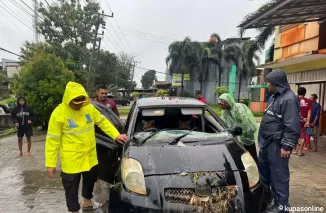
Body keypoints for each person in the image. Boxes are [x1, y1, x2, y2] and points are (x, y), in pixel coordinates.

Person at [45, 82, 128, 213]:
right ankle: (74, 210)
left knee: (90, 180)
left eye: (81, 102)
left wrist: (116, 135)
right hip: (71, 159)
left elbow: (102, 121)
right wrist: (51, 163)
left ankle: (87, 202)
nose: (78, 106)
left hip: (89, 156)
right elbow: (52, 141)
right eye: (75, 103)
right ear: (68, 99)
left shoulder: (88, 108)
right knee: (71, 186)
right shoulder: (58, 114)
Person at [258, 70, 300, 213]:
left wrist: (287, 145)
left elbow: (292, 124)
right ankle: (267, 201)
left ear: (276, 83)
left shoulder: (289, 99)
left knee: (279, 177)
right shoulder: (274, 97)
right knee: (264, 176)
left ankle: (281, 207)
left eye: (269, 82)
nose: (267, 84)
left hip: (277, 146)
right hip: (266, 144)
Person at [218, 93, 258, 162]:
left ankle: (256, 168)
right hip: (237, 135)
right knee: (241, 156)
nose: (220, 106)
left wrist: (242, 133)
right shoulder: (225, 112)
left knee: (251, 154)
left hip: (247, 134)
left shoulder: (238, 107)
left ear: (227, 102)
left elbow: (244, 122)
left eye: (221, 104)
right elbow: (224, 123)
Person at [292, 87, 312, 156]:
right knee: (303, 136)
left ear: (297, 92)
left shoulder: (294, 100)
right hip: (304, 121)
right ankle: (300, 152)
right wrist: (308, 122)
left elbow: (293, 111)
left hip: (295, 120)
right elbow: (309, 112)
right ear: (305, 93)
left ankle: (294, 150)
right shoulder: (309, 101)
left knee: (295, 135)